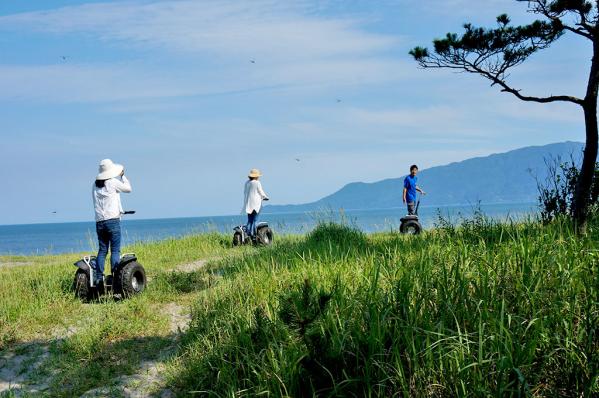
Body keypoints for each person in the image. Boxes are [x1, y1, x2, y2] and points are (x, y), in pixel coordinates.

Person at [92, 159, 132, 285]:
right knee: (115, 251)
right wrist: (123, 176)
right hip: (113, 221)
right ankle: (116, 277)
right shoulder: (113, 182)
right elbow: (128, 189)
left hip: (100, 222)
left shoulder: (94, 185)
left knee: (102, 250)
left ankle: (99, 278)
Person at [243, 168, 269, 240]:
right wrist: (265, 197)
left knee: (250, 220)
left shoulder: (247, 183)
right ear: (256, 176)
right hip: (256, 204)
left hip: (248, 204)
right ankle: (254, 236)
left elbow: (245, 192)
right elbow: (260, 191)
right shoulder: (257, 182)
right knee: (255, 220)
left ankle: (247, 235)